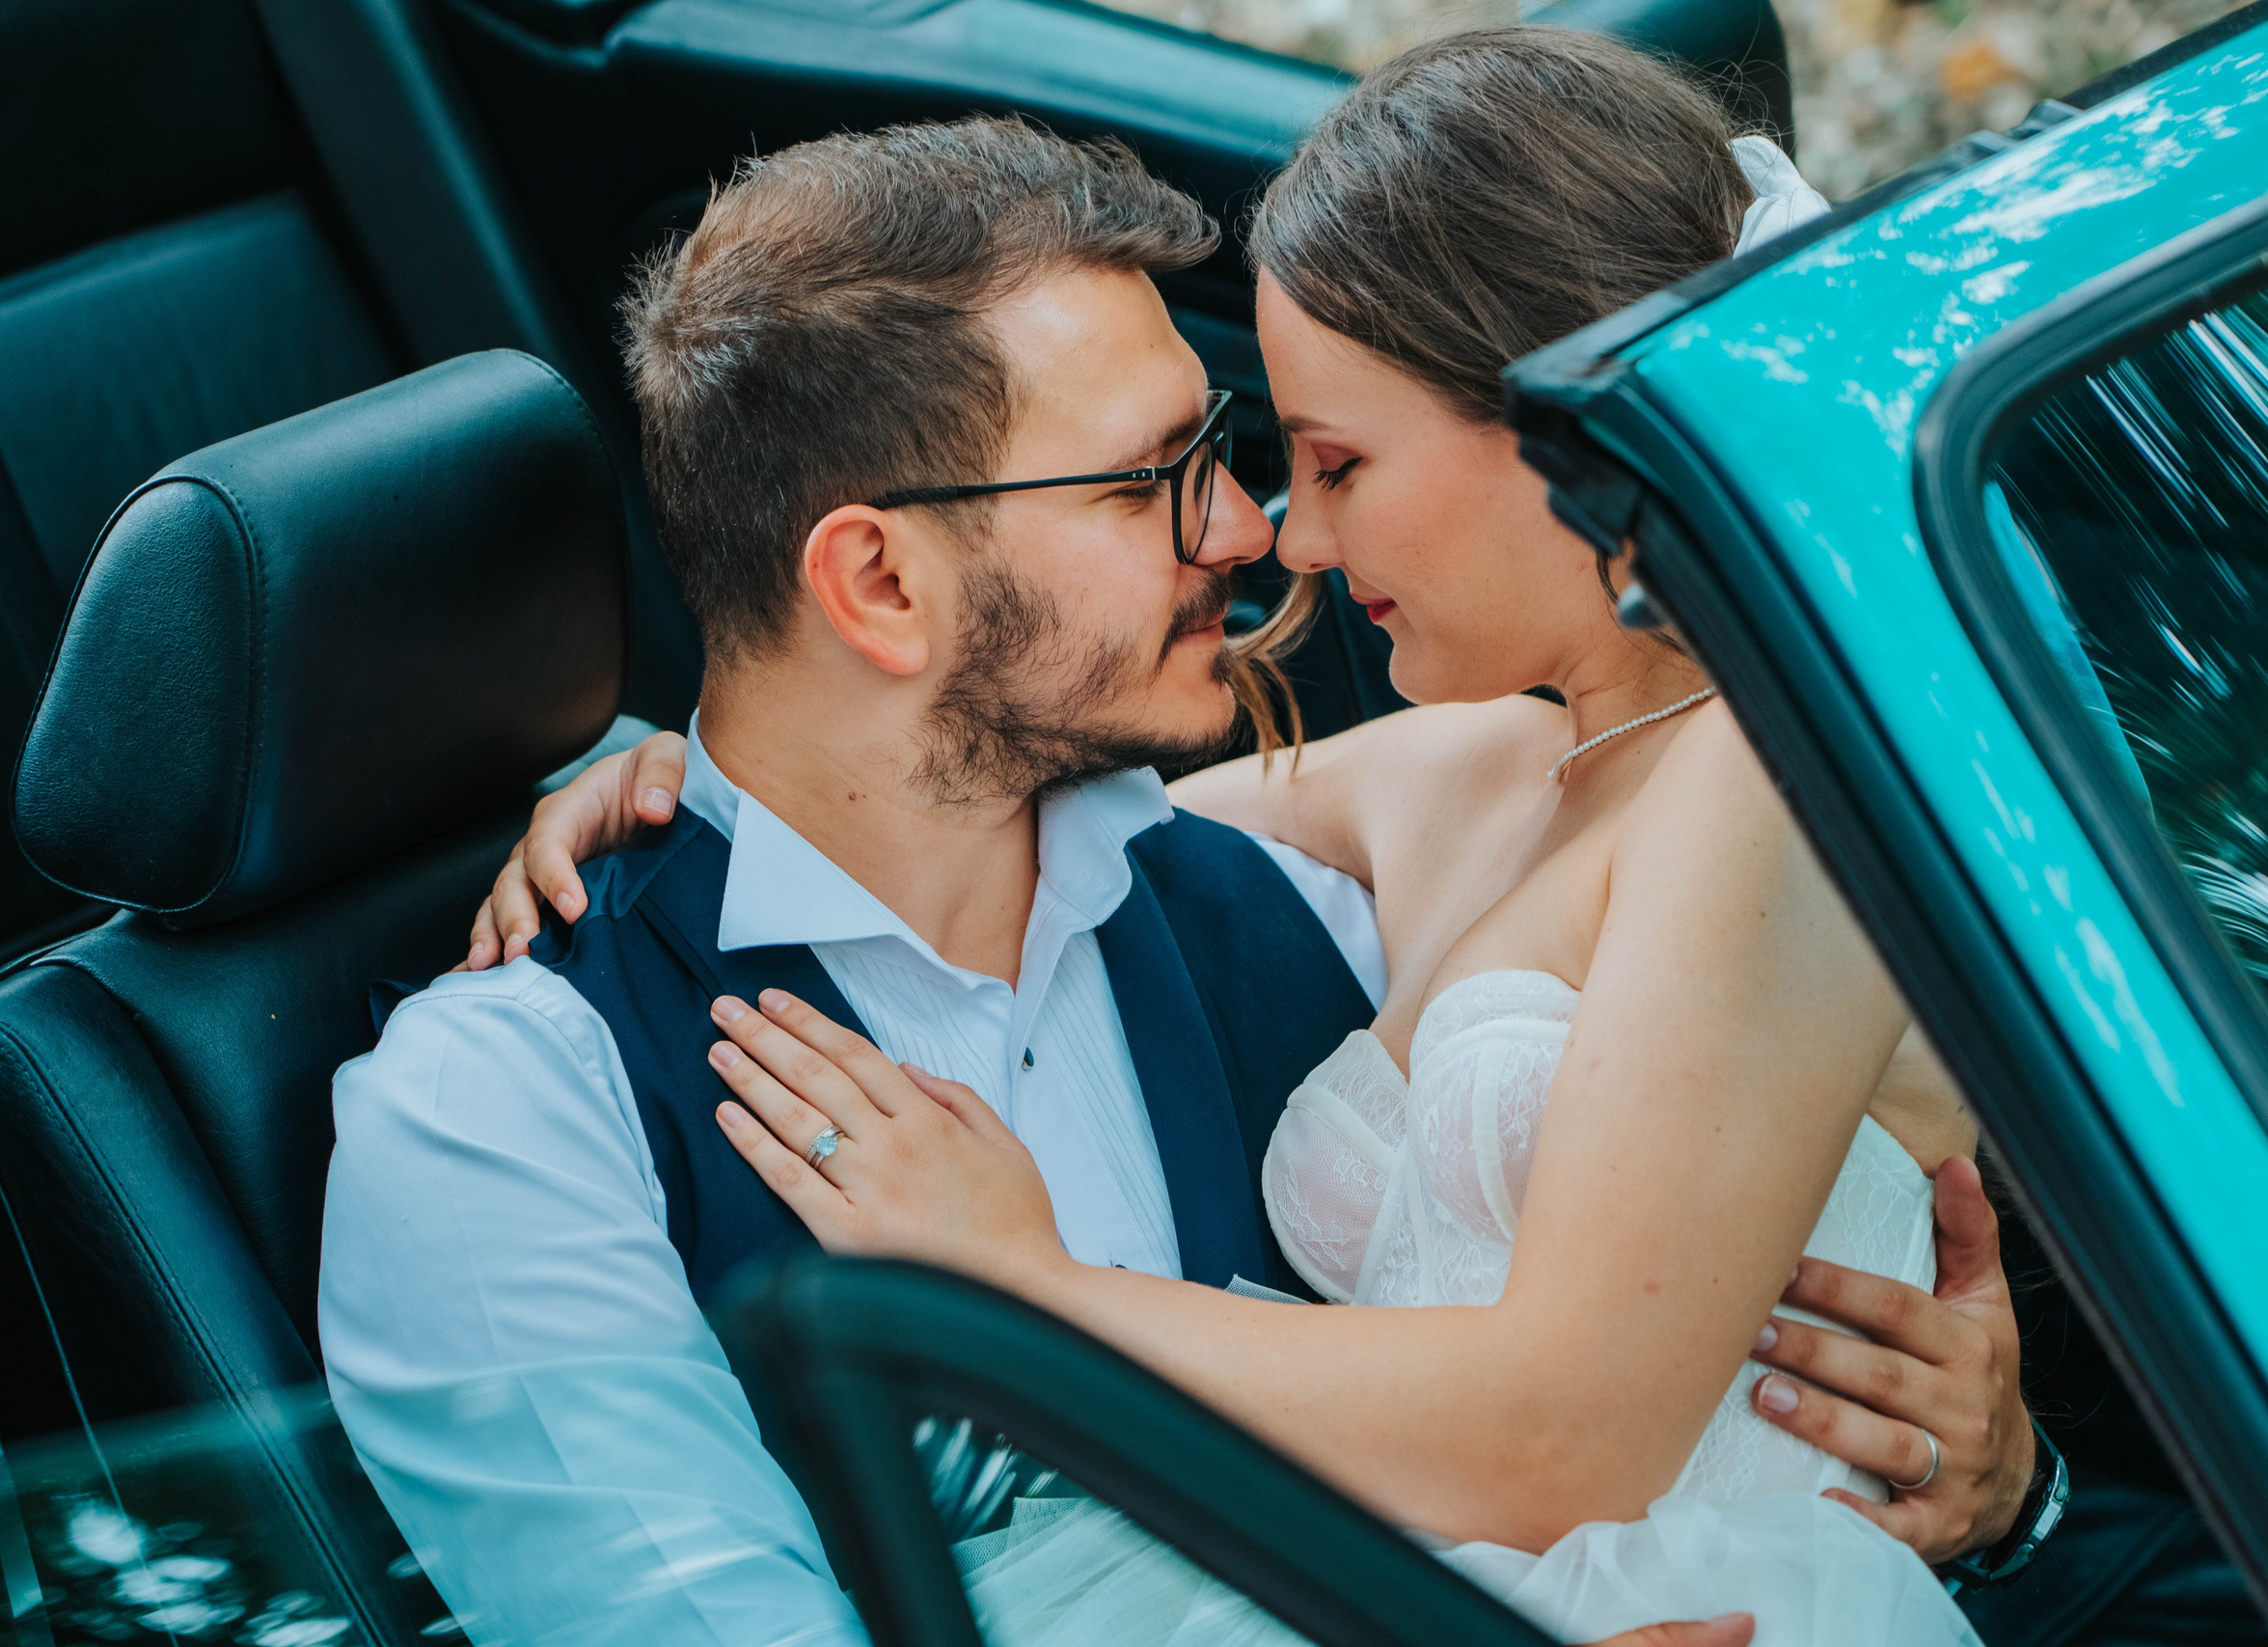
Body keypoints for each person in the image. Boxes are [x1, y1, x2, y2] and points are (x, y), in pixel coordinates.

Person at [451, 36, 2044, 1647]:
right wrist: (674, 781)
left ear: (1579, 440)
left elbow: (1567, 1428)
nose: (1282, 534)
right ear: (877, 584)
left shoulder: (1773, 768)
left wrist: (1032, 1293)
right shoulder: (1463, 776)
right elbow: (946, 826)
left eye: (1330, 461)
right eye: (1177, 478)